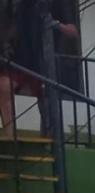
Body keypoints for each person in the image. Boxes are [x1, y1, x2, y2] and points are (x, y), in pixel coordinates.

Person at [0, 0, 78, 140]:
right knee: (4, 86)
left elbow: (73, 31)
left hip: (44, 62)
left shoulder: (59, 3)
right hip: (20, 59)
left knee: (47, 100)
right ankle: (9, 136)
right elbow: (11, 26)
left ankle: (48, 139)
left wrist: (55, 25)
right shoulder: (19, 4)